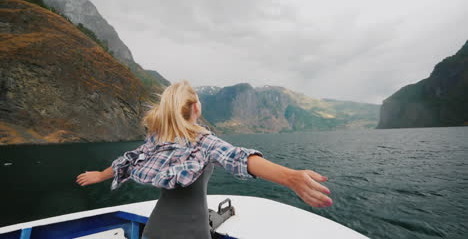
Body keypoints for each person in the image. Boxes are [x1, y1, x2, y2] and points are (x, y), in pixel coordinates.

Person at [76, 79, 333, 239]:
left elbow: (128, 161)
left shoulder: (156, 140)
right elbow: (239, 158)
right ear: (196, 107)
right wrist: (291, 177)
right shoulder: (203, 141)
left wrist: (100, 175)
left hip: (154, 231)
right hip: (192, 233)